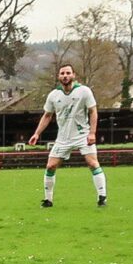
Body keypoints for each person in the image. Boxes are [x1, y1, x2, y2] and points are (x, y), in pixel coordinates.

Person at [28, 63, 108, 208]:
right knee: (50, 166)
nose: (65, 76)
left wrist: (92, 133)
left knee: (92, 163)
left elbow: (93, 111)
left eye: (68, 73)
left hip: (82, 135)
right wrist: (37, 133)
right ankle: (48, 200)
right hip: (63, 138)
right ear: (58, 76)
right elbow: (47, 115)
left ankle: (102, 197)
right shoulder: (53, 95)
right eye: (62, 73)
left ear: (73, 75)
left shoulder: (84, 91)